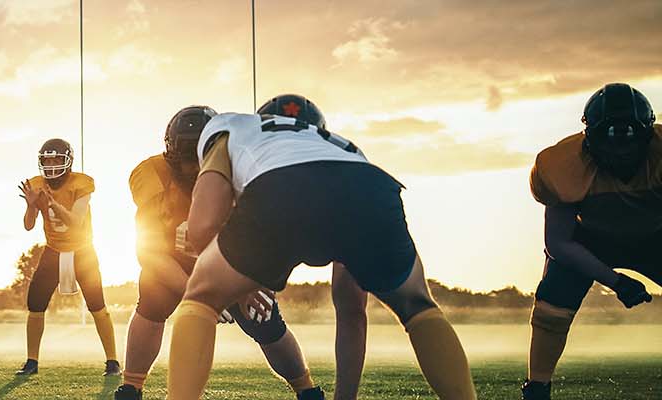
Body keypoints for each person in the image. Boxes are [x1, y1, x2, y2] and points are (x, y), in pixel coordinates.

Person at [168, 94, 476, 400]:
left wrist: (237, 286)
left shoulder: (228, 126)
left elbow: (203, 226)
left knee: (202, 298)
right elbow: (352, 310)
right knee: (417, 306)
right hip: (371, 185)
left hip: (280, 186)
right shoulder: (338, 145)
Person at [115, 105, 333, 400]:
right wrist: (196, 292)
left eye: (200, 159)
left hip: (233, 261)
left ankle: (306, 390)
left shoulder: (242, 167)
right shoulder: (152, 174)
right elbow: (149, 251)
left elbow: (264, 239)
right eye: (187, 160)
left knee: (264, 320)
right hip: (173, 260)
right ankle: (131, 388)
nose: (194, 169)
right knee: (152, 298)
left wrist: (250, 283)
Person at [522, 83, 659, 400]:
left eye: (629, 141)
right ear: (590, 139)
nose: (621, 151)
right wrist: (616, 282)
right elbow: (559, 243)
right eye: (610, 142)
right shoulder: (560, 166)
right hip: (590, 240)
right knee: (551, 307)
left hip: (655, 236)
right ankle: (538, 389)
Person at [14, 138, 119, 376]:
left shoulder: (81, 184)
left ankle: (112, 361)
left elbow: (75, 223)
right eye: (47, 160)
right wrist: (31, 206)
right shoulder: (36, 185)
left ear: (68, 162)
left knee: (97, 306)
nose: (51, 165)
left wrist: (52, 203)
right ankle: (32, 362)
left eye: (56, 160)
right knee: (36, 304)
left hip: (82, 250)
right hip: (53, 250)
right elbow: (28, 226)